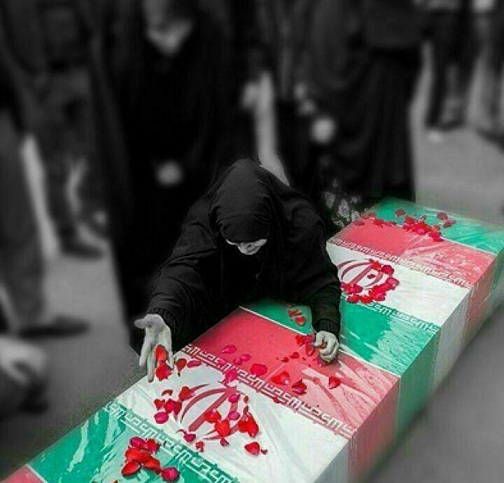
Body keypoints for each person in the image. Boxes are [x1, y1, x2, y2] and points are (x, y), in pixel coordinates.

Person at [91, 0, 231, 333]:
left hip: (194, 166)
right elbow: (115, 123)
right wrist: (153, 164)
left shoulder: (206, 33)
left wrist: (188, 162)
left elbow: (214, 108)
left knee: (195, 245)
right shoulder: (117, 39)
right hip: (138, 176)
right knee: (147, 258)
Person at [134, 159, 341, 379]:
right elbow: (183, 269)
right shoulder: (207, 221)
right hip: (225, 299)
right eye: (236, 242)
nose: (244, 250)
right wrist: (163, 313)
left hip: (267, 293)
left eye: (253, 242)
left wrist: (326, 326)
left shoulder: (301, 224)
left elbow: (321, 281)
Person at [302, 0, 422, 230]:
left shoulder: (334, 8)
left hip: (349, 110)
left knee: (344, 212)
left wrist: (321, 107)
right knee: (387, 196)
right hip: (387, 112)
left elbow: (324, 50)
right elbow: (412, 60)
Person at [0, 0, 103, 259]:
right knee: (56, 165)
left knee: (96, 148)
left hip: (79, 68)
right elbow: (7, 43)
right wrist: (27, 83)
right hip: (44, 84)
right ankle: (67, 234)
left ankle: (89, 206)